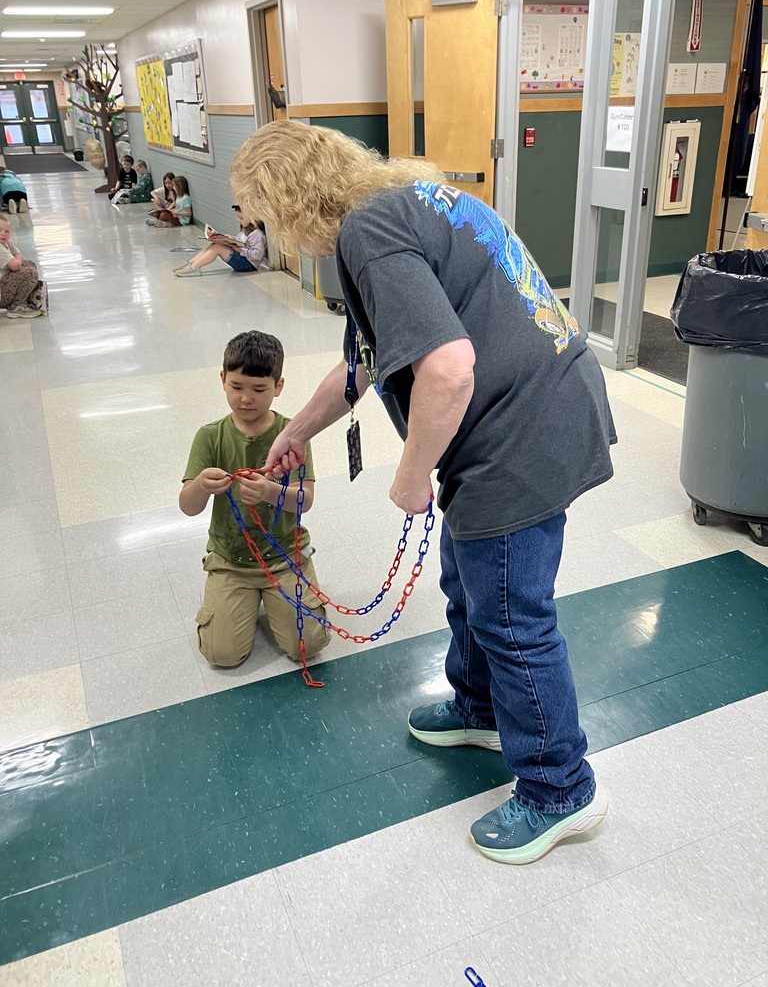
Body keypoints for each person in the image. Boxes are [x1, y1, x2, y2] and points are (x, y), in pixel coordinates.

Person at [231, 121, 616, 865]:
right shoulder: (408, 200)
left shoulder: (368, 235)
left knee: (511, 612)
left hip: (523, 432)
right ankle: (479, 706)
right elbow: (368, 363)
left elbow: (447, 370)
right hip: (545, 403)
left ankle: (561, 788)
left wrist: (411, 476)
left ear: (290, 202)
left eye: (262, 215)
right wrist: (298, 432)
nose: (267, 234)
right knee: (470, 576)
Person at [179, 329, 331, 668]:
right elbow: (188, 507)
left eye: (259, 389)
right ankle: (246, 597)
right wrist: (201, 485)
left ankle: (284, 592)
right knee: (222, 655)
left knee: (308, 645)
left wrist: (271, 492)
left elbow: (305, 500)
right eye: (236, 387)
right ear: (222, 380)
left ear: (278, 386)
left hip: (284, 556)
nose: (246, 399)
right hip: (232, 561)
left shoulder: (293, 435)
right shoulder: (210, 437)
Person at [173, 206, 267, 277]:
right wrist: (230, 239)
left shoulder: (257, 234)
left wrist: (239, 250)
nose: (239, 221)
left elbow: (258, 255)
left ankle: (194, 267)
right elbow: (243, 242)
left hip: (248, 265)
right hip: (243, 259)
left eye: (241, 218)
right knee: (215, 244)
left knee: (217, 248)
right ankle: (191, 263)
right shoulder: (246, 229)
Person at [0, 216, 46, 318]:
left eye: (6, 231)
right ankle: (15, 307)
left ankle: (24, 297)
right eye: (0, 230)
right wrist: (17, 260)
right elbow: (15, 265)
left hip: (4, 281)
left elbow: (18, 254)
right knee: (30, 273)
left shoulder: (6, 243)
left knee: (29, 264)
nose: (3, 233)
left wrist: (17, 260)